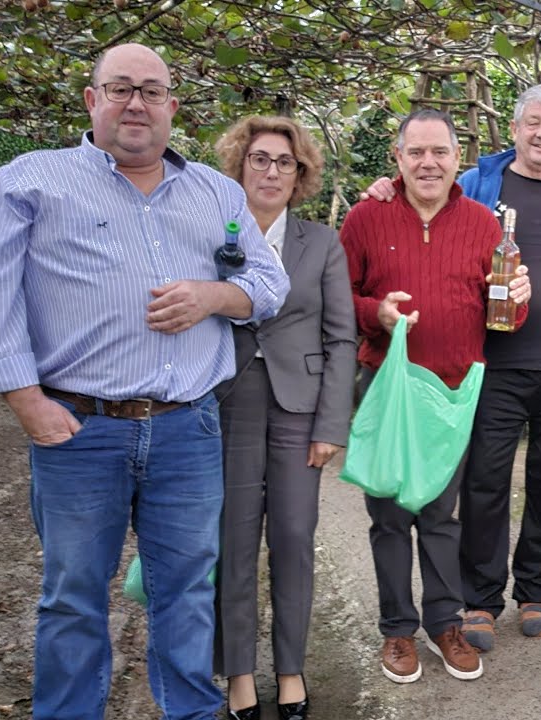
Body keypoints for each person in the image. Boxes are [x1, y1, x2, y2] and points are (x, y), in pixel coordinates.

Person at [0, 44, 288, 720]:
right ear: (92, 100)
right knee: (73, 596)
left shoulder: (216, 193)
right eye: (120, 88)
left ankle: (191, 712)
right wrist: (26, 400)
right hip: (79, 428)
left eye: (151, 91)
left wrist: (214, 297)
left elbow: (268, 282)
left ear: (172, 106)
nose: (137, 103)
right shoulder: (30, 181)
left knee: (187, 591)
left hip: (187, 428)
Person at [364, 86, 541, 651]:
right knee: (484, 479)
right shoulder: (480, 182)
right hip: (493, 362)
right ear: (515, 129)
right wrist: (387, 187)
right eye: (532, 122)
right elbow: (428, 199)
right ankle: (480, 597)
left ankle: (537, 591)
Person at [340, 109, 531, 685]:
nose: (429, 163)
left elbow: (505, 317)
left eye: (440, 152)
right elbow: (337, 298)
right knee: (390, 515)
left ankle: (444, 622)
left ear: (457, 159)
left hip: (452, 394)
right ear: (397, 158)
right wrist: (375, 312)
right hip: (388, 386)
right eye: (416, 152)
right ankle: (397, 629)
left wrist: (519, 298)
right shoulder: (365, 217)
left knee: (442, 516)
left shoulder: (482, 224)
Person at [211, 116, 356, 720]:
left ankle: (291, 668)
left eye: (285, 163)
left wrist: (331, 425)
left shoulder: (321, 243)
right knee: (234, 540)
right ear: (240, 165)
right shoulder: (212, 232)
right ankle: (239, 673)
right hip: (229, 404)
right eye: (260, 159)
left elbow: (342, 337)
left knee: (294, 537)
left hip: (301, 409)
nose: (271, 171)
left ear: (300, 175)